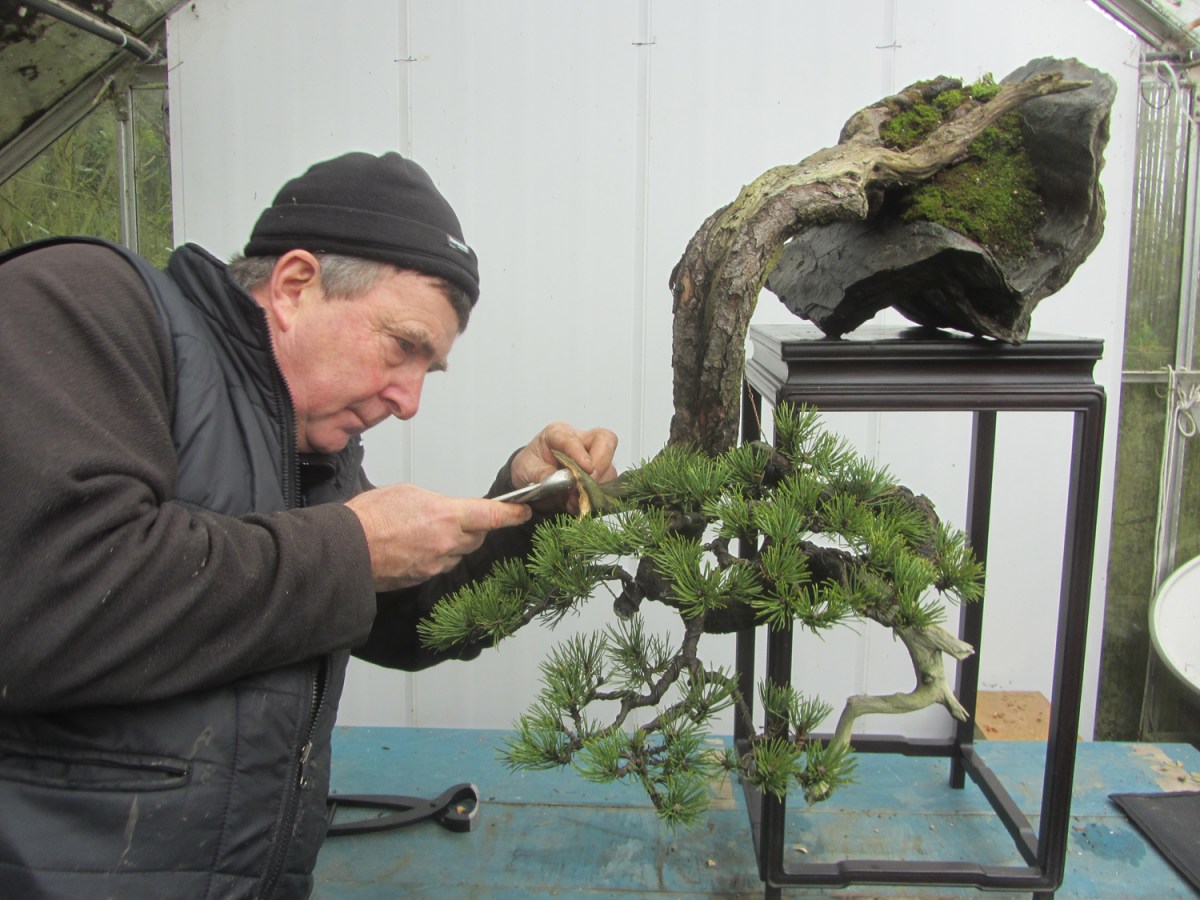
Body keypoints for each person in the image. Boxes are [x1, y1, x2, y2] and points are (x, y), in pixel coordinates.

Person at [0, 151, 618, 898]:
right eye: (403, 347)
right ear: (295, 286)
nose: (409, 401)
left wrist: (527, 507)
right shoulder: (82, 306)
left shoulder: (304, 445)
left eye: (428, 369)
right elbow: (51, 600)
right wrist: (354, 550)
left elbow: (408, 620)